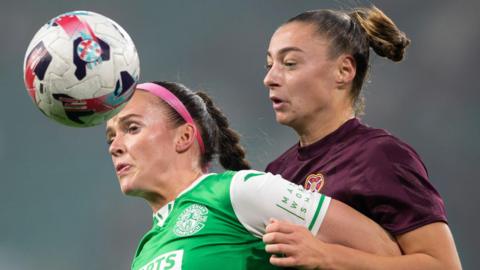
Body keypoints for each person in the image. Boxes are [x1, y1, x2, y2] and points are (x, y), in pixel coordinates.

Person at [106, 81, 400, 270]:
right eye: (110, 138)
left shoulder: (238, 191)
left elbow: (382, 249)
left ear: (184, 137)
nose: (115, 147)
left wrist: (325, 257)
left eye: (132, 128)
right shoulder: (145, 252)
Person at [263, 5, 462, 270]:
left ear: (344, 70)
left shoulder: (380, 156)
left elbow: (444, 265)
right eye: (269, 64)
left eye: (289, 63)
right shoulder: (276, 172)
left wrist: (327, 256)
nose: (270, 78)